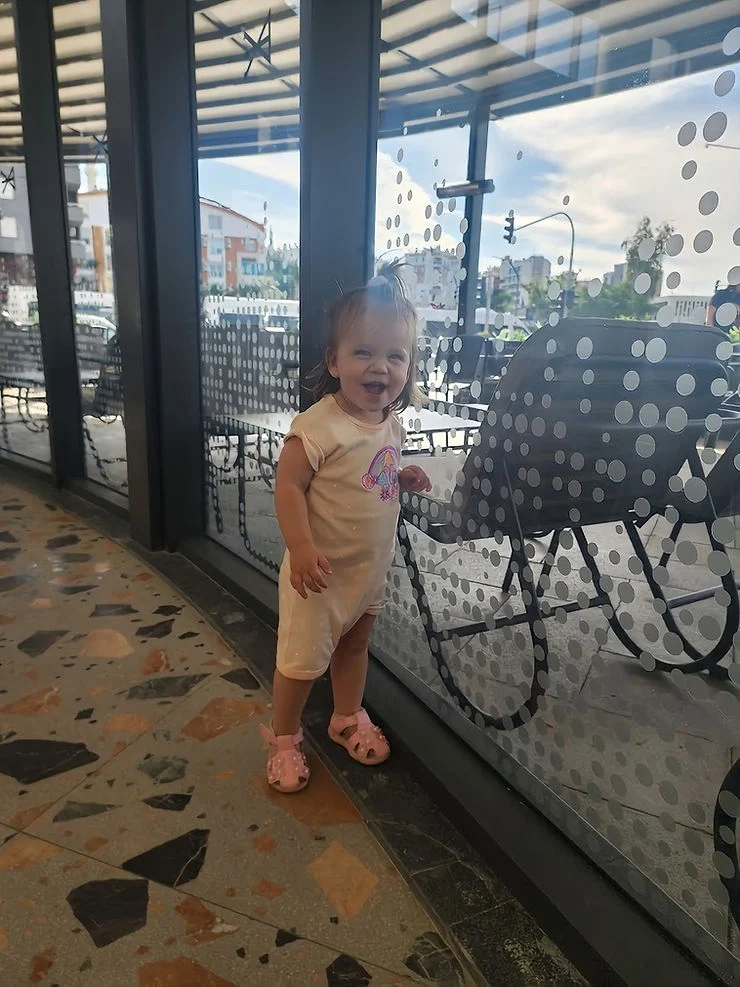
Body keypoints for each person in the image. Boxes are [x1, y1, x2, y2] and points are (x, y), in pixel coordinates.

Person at [261, 263, 432, 793]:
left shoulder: (390, 425)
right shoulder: (318, 426)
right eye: (363, 352)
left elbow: (367, 475)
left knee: (354, 648)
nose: (380, 366)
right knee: (300, 662)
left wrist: (398, 477)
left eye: (395, 356)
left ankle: (345, 717)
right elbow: (288, 487)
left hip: (365, 572)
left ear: (408, 366)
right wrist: (301, 547)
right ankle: (283, 738)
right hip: (319, 575)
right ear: (334, 361)